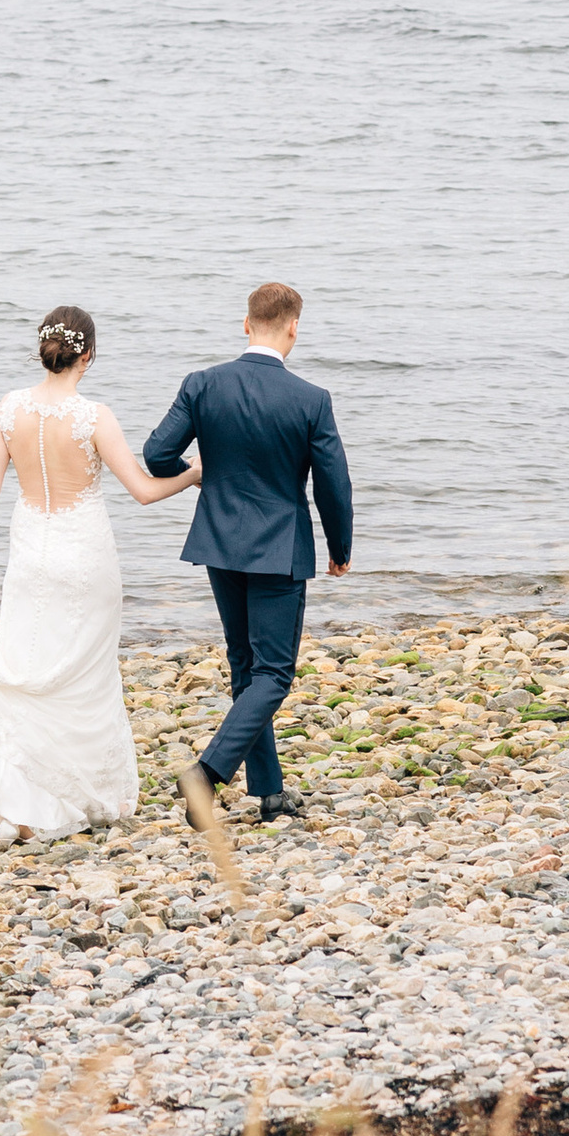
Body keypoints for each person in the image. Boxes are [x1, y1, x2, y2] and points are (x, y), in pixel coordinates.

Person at [0, 304, 197, 838]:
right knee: (85, 671)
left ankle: (18, 794)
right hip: (85, 557)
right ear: (90, 354)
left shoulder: (10, 409)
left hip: (30, 553)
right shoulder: (94, 416)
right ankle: (81, 791)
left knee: (28, 665)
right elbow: (145, 492)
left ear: (46, 350)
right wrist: (196, 474)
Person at [143, 282, 352, 829]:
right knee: (274, 673)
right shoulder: (311, 398)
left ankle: (271, 791)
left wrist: (195, 477)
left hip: (219, 542)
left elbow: (156, 453)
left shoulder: (203, 384)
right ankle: (207, 775)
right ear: (293, 328)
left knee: (246, 666)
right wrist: (340, 546)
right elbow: (333, 483)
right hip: (280, 549)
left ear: (245, 324)